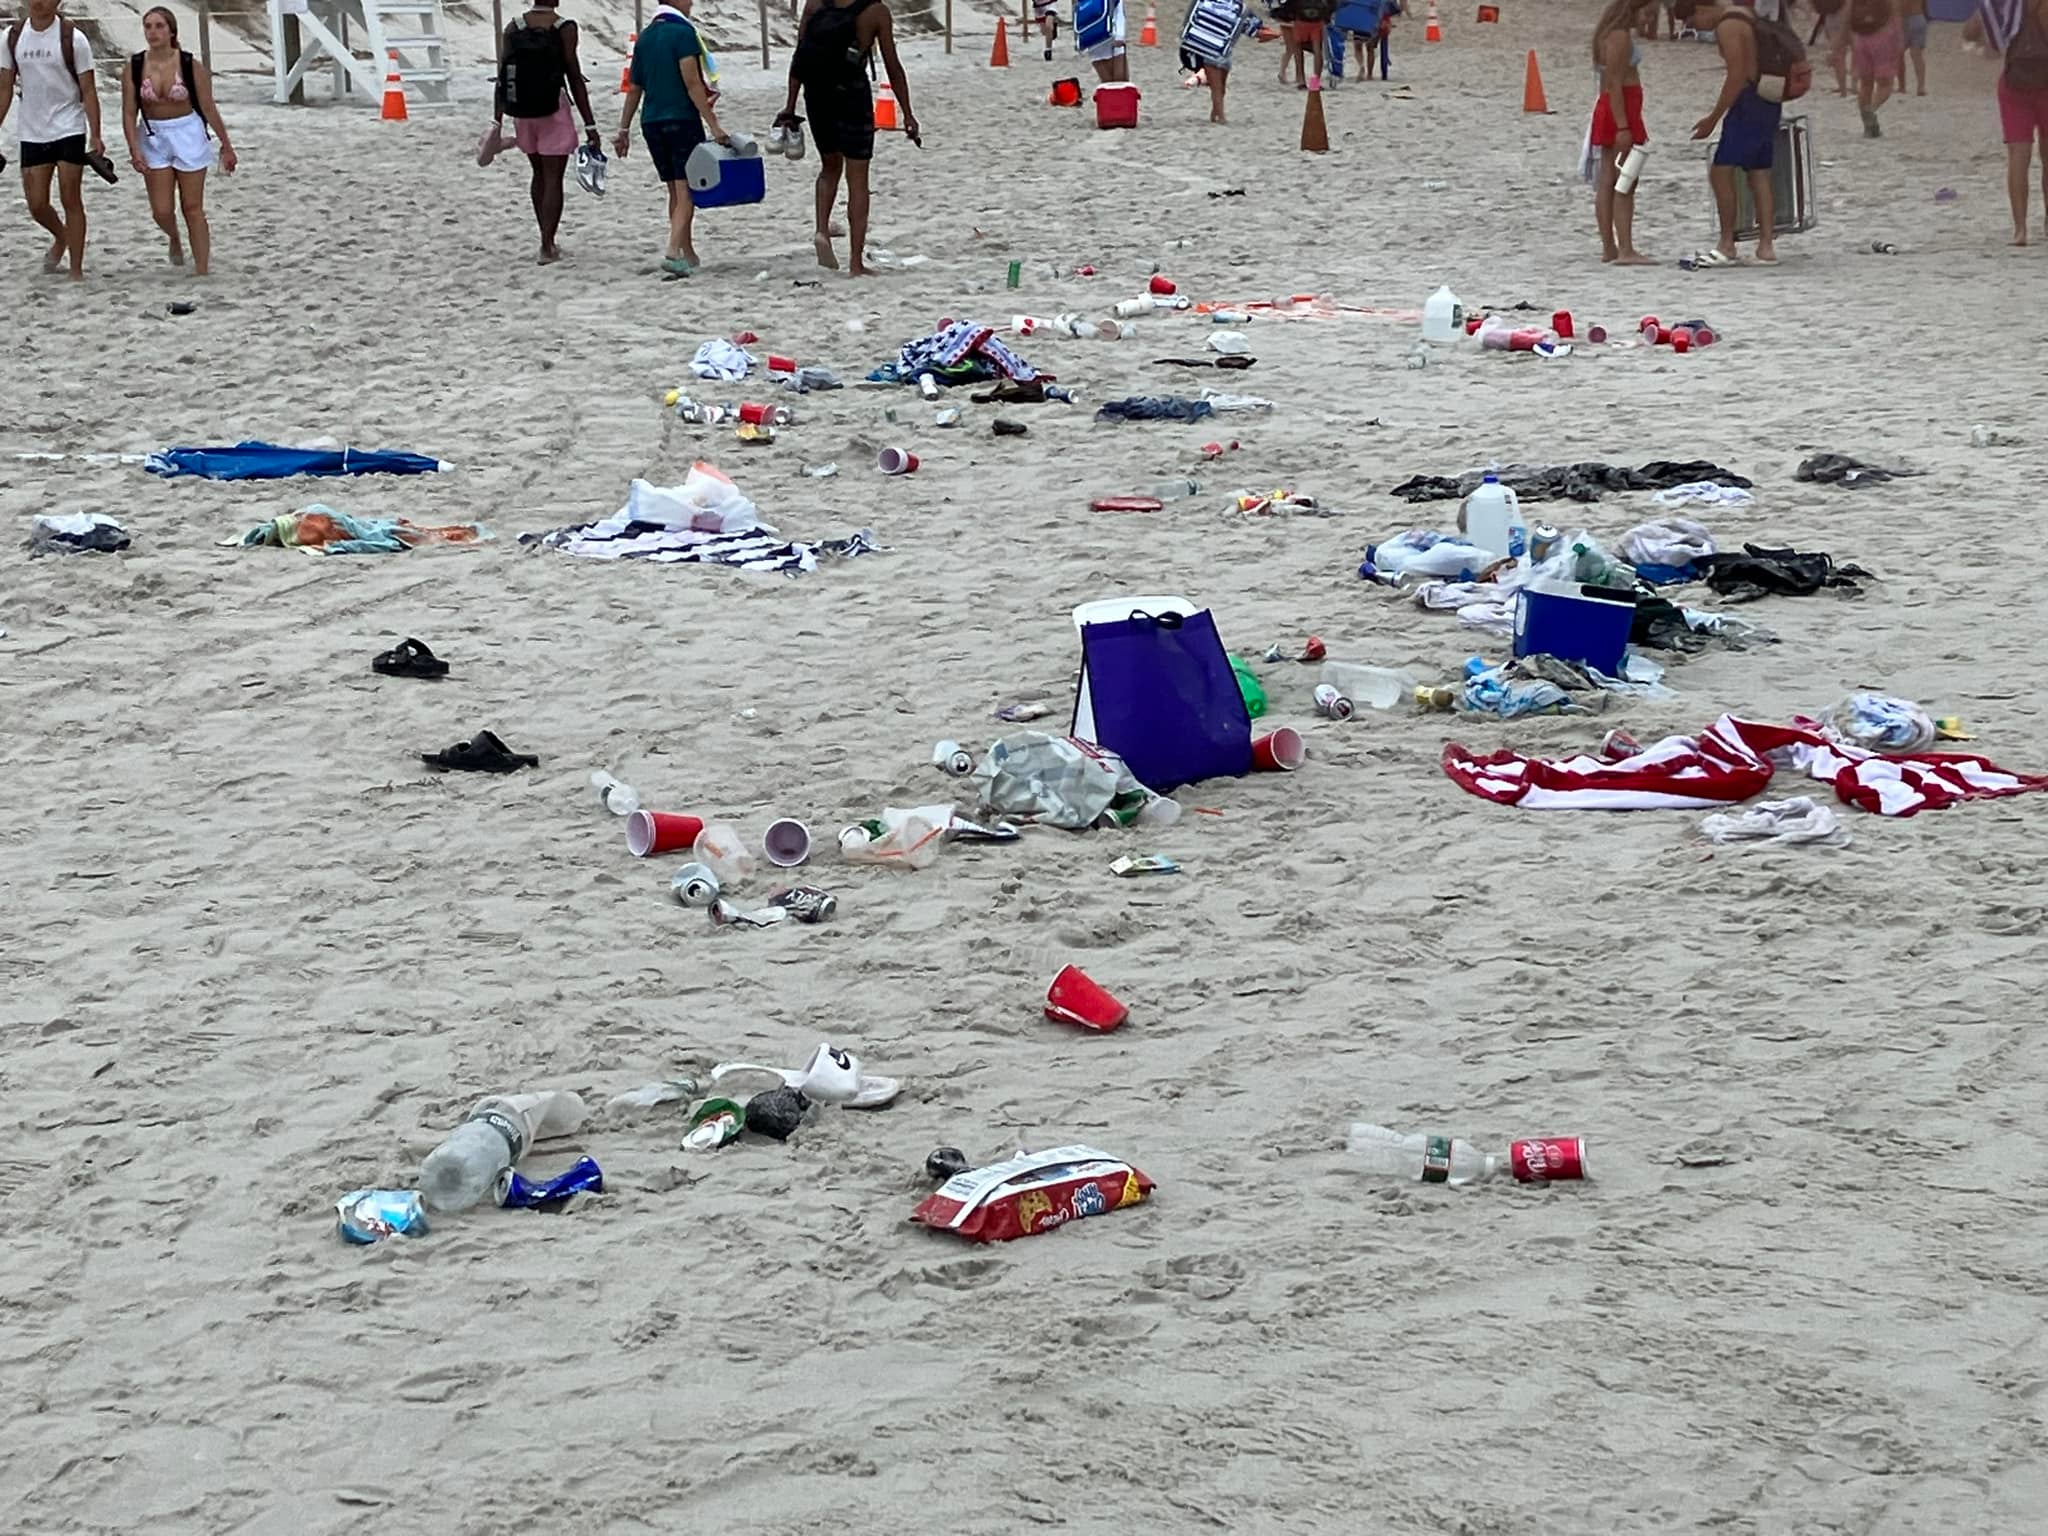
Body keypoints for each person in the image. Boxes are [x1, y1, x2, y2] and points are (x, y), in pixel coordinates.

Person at [777, 0, 921, 277]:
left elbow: (800, 57)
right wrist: (908, 114)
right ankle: (856, 262)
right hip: (852, 95)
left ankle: (822, 230)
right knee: (858, 181)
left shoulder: (816, 3)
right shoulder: (875, 11)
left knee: (829, 166)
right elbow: (892, 65)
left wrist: (790, 105)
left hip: (817, 96)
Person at [614, 1, 731, 276]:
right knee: (687, 191)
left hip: (651, 121)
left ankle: (687, 252)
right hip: (680, 119)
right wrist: (714, 125)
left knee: (674, 191)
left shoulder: (645, 36)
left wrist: (623, 129)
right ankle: (672, 251)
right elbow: (691, 83)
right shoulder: (683, 34)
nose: (691, 3)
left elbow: (634, 88)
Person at [120, 7, 236, 276]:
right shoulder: (135, 67)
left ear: (171, 31)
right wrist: (133, 148)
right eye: (148, 26)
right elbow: (128, 111)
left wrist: (226, 144)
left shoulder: (188, 64)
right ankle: (173, 237)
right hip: (152, 134)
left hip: (188, 132)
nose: (153, 32)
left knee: (192, 207)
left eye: (159, 26)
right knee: (161, 210)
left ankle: (202, 268)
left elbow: (208, 106)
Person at [0, 0, 105, 280]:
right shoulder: (11, 37)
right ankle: (62, 237)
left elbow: (88, 89)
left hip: (68, 125)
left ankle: (76, 269)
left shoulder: (74, 38)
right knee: (36, 204)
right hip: (31, 129)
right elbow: (5, 88)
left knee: (71, 197)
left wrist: (95, 133)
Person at [495, 0, 602, 264]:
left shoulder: (513, 27)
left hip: (522, 112)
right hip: (553, 107)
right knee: (554, 177)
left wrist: (497, 120)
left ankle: (545, 238)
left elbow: (502, 76)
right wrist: (590, 123)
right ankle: (547, 244)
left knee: (538, 174)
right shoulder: (564, 27)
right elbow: (574, 76)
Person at [1676, 0, 1781, 265]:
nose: (1697, 29)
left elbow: (1737, 75)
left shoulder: (1728, 25)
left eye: (1692, 23)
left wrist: (1713, 118)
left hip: (1748, 100)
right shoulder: (1744, 13)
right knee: (1759, 172)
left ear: (1701, 8)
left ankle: (1727, 244)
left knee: (1720, 171)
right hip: (1768, 96)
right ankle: (1766, 247)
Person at [1968, 0, 2048, 244]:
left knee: (2018, 157)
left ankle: (2020, 229)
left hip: (2014, 83)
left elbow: (1970, 32)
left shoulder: (2007, 5)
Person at [1593, 0, 1660, 264]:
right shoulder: (1619, 37)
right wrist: (1623, 126)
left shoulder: (1606, 34)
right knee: (1625, 180)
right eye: (1646, 13)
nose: (1647, 19)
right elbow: (1615, 83)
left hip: (1612, 108)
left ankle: (1610, 247)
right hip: (1622, 110)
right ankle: (1625, 248)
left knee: (1609, 178)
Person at [1847, 0, 1900, 134]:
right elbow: (1895, 14)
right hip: (1881, 37)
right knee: (1885, 84)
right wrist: (1899, 39)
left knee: (1865, 85)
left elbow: (1847, 16)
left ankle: (1868, 127)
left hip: (1861, 38)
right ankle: (1871, 109)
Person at [1896, 0, 1927, 94]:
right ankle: (1921, 87)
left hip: (1903, 19)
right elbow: (1925, 5)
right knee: (1917, 55)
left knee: (1898, 55)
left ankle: (1902, 87)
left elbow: (1897, 5)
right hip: (1919, 17)